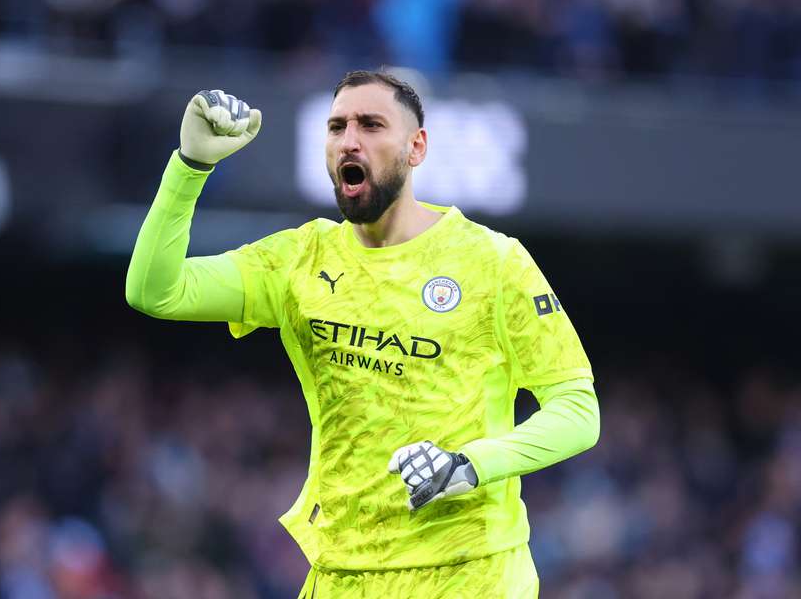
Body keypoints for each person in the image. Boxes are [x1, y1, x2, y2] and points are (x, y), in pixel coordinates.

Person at [126, 71, 600, 598]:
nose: (349, 139)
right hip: (342, 573)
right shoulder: (300, 258)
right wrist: (191, 166)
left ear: (416, 147)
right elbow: (156, 291)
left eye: (372, 125)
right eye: (336, 127)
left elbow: (577, 411)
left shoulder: (493, 262)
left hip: (471, 569)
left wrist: (469, 465)